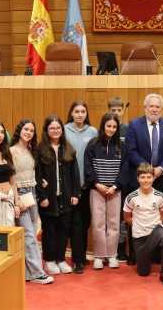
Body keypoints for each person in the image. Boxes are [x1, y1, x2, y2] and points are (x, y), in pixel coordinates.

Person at [126, 94, 163, 266]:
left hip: (161, 179)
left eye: (157, 107)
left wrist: (160, 169)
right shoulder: (134, 125)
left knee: (156, 217)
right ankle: (135, 252)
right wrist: (147, 172)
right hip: (139, 179)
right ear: (145, 107)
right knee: (137, 216)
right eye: (151, 106)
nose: (154, 109)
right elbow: (131, 151)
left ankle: (156, 252)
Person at [10, 119, 54, 284]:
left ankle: (28, 274)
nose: (28, 132)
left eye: (31, 130)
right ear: (19, 130)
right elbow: (11, 178)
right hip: (20, 194)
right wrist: (16, 199)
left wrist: (41, 181)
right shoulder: (12, 151)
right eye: (26, 129)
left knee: (33, 233)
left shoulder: (31, 150)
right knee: (28, 234)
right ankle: (37, 273)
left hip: (33, 192)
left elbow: (33, 170)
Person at [36, 115, 81, 276]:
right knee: (49, 231)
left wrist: (76, 193)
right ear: (46, 131)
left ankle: (60, 259)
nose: (55, 131)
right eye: (52, 128)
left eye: (58, 128)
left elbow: (75, 174)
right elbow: (37, 176)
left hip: (66, 196)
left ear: (62, 130)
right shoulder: (40, 151)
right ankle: (49, 260)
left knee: (64, 229)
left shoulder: (68, 150)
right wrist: (42, 197)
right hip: (48, 198)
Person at [84, 113, 129, 270]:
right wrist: (97, 184)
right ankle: (99, 255)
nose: (111, 129)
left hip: (114, 191)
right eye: (108, 126)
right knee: (98, 223)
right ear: (103, 126)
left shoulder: (122, 146)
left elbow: (125, 168)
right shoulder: (92, 144)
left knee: (114, 223)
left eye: (114, 126)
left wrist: (115, 186)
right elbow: (88, 167)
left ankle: (112, 255)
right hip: (97, 190)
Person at [123, 163, 163, 287]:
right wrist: (139, 225)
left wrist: (155, 227)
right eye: (142, 177)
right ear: (137, 179)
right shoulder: (131, 197)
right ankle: (149, 255)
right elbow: (127, 218)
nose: (146, 180)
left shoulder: (160, 196)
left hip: (155, 232)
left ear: (153, 178)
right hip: (140, 236)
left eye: (148, 177)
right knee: (143, 272)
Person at [64, 100, 98, 274]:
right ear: (71, 113)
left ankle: (82, 255)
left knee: (85, 222)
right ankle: (77, 258)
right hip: (69, 186)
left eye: (83, 111)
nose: (79, 114)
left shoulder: (92, 132)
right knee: (74, 223)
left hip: (87, 185)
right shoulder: (64, 130)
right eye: (76, 111)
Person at [108, 96, 130, 260]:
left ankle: (122, 246)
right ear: (109, 111)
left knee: (123, 216)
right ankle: (110, 247)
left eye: (119, 110)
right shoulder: (104, 129)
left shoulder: (129, 130)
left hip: (124, 180)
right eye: (113, 110)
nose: (116, 113)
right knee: (110, 216)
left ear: (123, 111)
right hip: (107, 180)